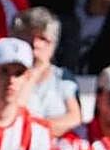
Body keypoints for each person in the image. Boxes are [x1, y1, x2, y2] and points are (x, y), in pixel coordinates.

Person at [11, 7, 82, 137]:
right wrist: (32, 74)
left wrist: (36, 128)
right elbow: (13, 116)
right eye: (30, 37)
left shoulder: (63, 77)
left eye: (43, 39)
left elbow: (75, 119)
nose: (36, 44)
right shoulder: (5, 75)